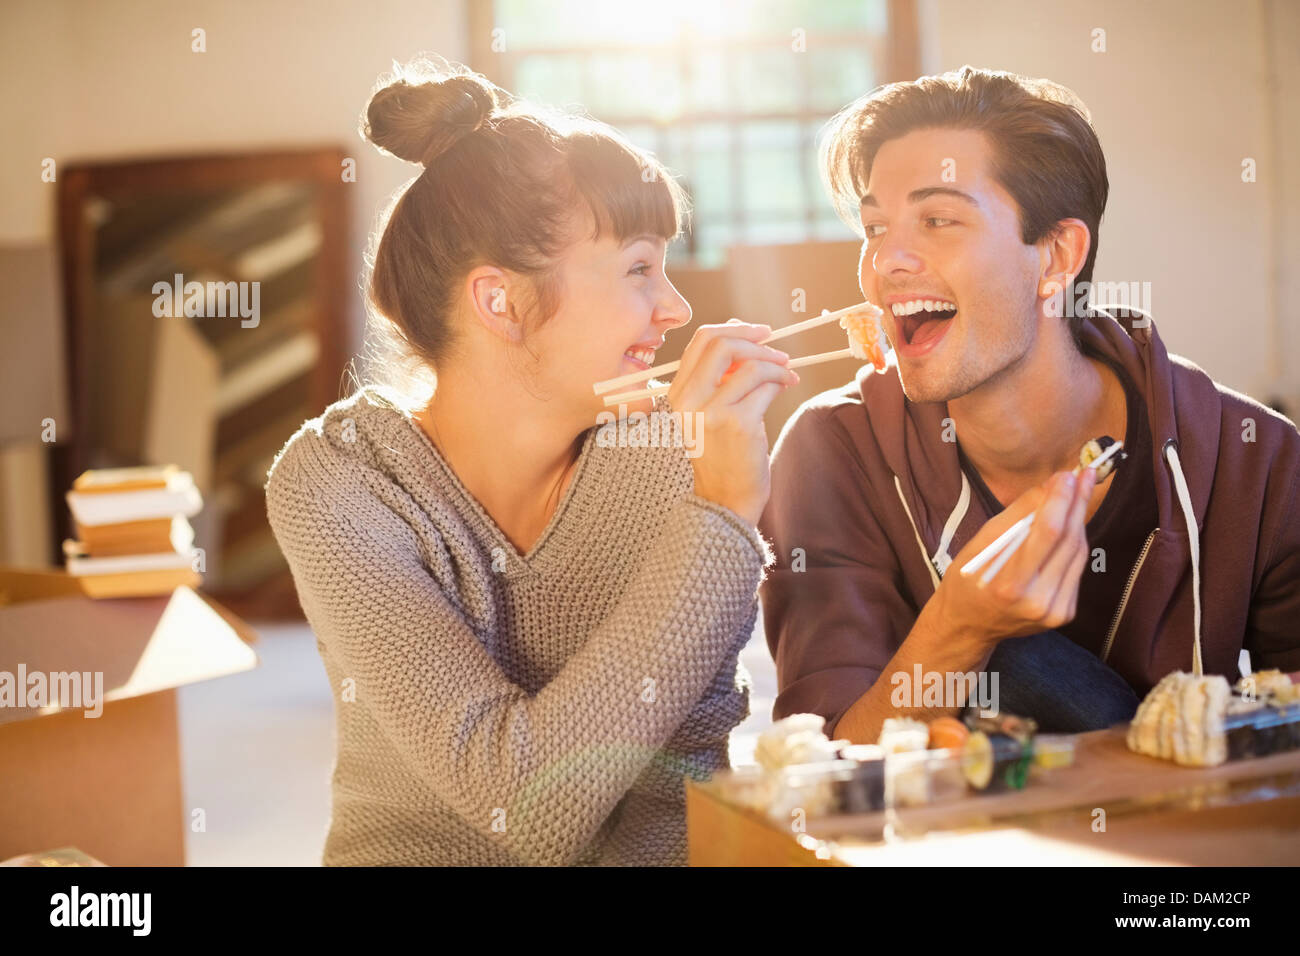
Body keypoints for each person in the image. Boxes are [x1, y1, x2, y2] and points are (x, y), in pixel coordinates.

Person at [264, 58, 795, 865]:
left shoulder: (674, 458)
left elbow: (677, 795)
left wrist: (710, 494)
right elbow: (521, 804)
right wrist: (722, 518)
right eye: (639, 268)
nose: (677, 308)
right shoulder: (339, 485)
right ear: (500, 301)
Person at [760, 66, 1300, 742]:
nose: (885, 261)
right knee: (1017, 664)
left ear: (1056, 256)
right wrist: (963, 628)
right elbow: (825, 762)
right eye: (874, 228)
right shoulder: (830, 453)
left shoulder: (1257, 458)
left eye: (937, 219)